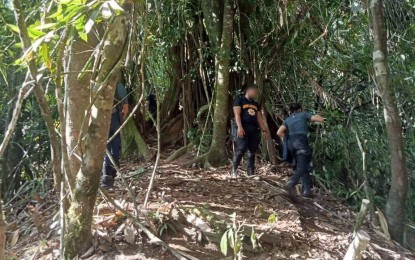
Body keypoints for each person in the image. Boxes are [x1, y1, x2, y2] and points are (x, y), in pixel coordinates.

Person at [277, 103, 324, 198]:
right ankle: (291, 183)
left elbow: (279, 132)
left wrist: (287, 139)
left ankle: (307, 191)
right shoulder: (303, 114)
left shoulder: (287, 119)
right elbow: (319, 119)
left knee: (303, 164)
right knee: (302, 167)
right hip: (301, 142)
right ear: (300, 109)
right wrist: (320, 116)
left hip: (291, 144)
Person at [232, 84, 267, 178]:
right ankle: (234, 171)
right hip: (242, 128)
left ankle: (250, 173)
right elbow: (237, 115)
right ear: (249, 90)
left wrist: (263, 129)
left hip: (254, 129)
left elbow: (259, 117)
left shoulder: (256, 104)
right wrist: (239, 127)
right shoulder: (239, 100)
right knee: (241, 148)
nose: (256, 94)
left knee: (252, 151)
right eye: (255, 91)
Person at [100, 81, 129, 188]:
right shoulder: (118, 85)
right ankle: (111, 174)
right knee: (115, 146)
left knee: (106, 148)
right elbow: (125, 108)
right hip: (114, 118)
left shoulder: (97, 82)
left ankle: (107, 177)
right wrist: (122, 117)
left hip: (100, 120)